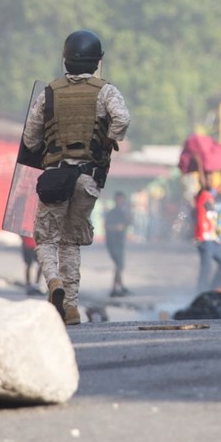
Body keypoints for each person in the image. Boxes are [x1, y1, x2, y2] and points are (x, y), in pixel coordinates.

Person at [22, 29, 130, 325]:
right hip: (89, 180)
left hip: (56, 177)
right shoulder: (106, 91)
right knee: (71, 241)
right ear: (97, 62)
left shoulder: (49, 94)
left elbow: (31, 140)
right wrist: (109, 139)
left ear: (65, 60)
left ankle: (53, 282)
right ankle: (70, 307)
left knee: (45, 237)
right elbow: (123, 117)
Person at [195, 171, 221, 293]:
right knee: (206, 269)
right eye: (207, 179)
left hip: (213, 239)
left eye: (211, 179)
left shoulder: (210, 196)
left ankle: (213, 289)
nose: (210, 181)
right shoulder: (201, 196)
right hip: (204, 238)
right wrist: (200, 164)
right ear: (202, 181)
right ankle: (201, 293)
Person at [103, 191, 132, 297]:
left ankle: (120, 287)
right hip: (112, 242)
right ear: (116, 200)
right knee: (119, 265)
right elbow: (106, 226)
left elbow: (128, 222)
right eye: (119, 199)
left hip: (120, 242)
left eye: (122, 199)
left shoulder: (123, 212)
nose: (121, 201)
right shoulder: (112, 212)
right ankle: (114, 289)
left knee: (119, 265)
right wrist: (117, 227)